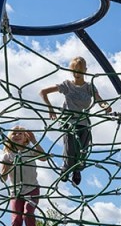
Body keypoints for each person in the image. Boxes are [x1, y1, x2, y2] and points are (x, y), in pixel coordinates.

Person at [39, 56, 112, 185]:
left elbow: (99, 100)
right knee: (70, 146)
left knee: (83, 149)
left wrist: (106, 106)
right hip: (69, 121)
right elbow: (43, 92)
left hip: (83, 121)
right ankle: (66, 168)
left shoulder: (89, 87)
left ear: (85, 70)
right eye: (74, 70)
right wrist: (50, 108)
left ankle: (77, 169)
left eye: (80, 70)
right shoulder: (67, 85)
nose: (77, 73)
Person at [1, 126, 50, 226]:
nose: (17, 135)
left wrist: (34, 141)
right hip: (16, 192)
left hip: (32, 189)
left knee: (28, 214)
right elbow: (3, 178)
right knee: (16, 219)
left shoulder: (30, 151)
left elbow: (45, 157)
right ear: (10, 138)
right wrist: (7, 167)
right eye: (14, 133)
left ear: (25, 138)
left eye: (20, 133)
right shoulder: (7, 155)